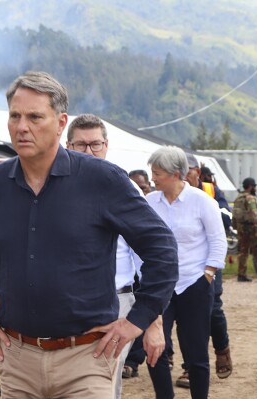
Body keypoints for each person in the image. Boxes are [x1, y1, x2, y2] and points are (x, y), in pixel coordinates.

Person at [0, 71, 178, 398]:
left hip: (87, 360)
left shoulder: (102, 180)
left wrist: (138, 319)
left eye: (35, 117)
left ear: (60, 122)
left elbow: (161, 249)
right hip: (17, 360)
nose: (22, 126)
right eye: (15, 116)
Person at [67, 113, 165, 399]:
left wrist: (153, 323)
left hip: (115, 303)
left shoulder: (124, 188)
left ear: (107, 145)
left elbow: (148, 255)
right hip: (64, 304)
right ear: (68, 146)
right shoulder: (53, 187)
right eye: (81, 145)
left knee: (104, 384)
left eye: (95, 144)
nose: (89, 152)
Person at [146, 146, 227, 399]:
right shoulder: (148, 202)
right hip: (160, 286)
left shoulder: (203, 201)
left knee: (196, 352)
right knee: (155, 347)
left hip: (195, 283)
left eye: (157, 172)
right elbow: (140, 240)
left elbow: (217, 240)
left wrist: (209, 273)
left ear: (175, 174)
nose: (153, 178)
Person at [172, 154, 233, 388]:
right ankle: (189, 368)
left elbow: (227, 219)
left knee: (214, 309)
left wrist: (205, 212)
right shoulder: (169, 194)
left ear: (198, 171)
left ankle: (222, 349)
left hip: (208, 263)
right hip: (181, 267)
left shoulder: (210, 191)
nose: (184, 174)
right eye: (180, 170)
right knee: (186, 317)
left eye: (188, 170)